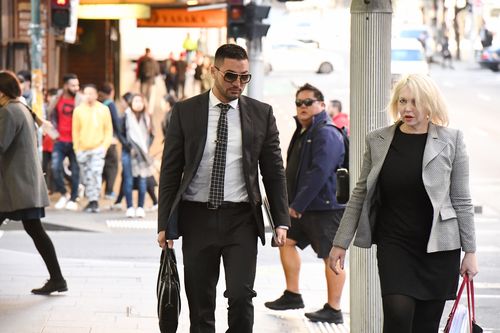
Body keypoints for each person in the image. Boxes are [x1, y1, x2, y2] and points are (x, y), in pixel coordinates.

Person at [328, 74, 479, 333]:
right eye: (402, 101)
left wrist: (471, 252)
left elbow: (462, 201)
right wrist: (340, 242)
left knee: (425, 326)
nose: (407, 108)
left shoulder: (451, 140)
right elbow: (360, 193)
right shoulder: (378, 140)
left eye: (415, 102)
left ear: (430, 104)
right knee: (397, 315)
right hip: (395, 243)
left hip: (439, 249)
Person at [157, 43, 290, 333]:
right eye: (231, 76)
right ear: (213, 71)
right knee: (201, 305)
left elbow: (274, 171)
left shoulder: (261, 114)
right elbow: (170, 172)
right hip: (196, 218)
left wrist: (281, 220)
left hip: (241, 219)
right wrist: (165, 224)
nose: (238, 83)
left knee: (242, 298)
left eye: (245, 77)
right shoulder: (186, 111)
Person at [265, 83, 346, 324]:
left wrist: (296, 204)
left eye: (308, 102)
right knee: (284, 241)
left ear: (321, 105)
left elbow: (320, 172)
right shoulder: (305, 131)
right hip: (305, 206)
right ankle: (293, 294)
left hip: (325, 208)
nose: (302, 106)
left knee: (332, 257)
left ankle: (334, 309)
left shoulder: (326, 132)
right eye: (299, 103)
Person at [0, 70, 67, 295]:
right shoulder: (21, 109)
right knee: (36, 230)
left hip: (17, 188)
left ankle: (58, 279)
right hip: (21, 186)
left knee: (36, 231)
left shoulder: (9, 112)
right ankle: (58, 279)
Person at [72, 84, 113, 213]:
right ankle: (91, 200)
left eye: (91, 93)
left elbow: (108, 130)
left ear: (96, 95)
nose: (89, 96)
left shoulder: (104, 109)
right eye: (86, 93)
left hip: (97, 148)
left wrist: (104, 147)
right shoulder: (78, 110)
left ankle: (94, 201)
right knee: (86, 177)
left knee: (95, 174)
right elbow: (76, 131)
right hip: (83, 148)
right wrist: (76, 148)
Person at [48, 73, 82, 211]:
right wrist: (53, 134)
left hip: (76, 141)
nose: (76, 88)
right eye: (73, 85)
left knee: (75, 170)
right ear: (66, 86)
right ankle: (64, 193)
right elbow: (49, 116)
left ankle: (73, 198)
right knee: (55, 167)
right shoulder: (57, 98)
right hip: (60, 140)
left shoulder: (80, 100)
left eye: (77, 85)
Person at [119, 93, 154, 218]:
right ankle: (129, 207)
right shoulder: (126, 116)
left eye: (140, 101)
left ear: (144, 103)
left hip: (143, 154)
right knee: (128, 179)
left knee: (142, 180)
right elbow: (121, 134)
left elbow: (152, 135)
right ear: (131, 103)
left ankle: (140, 207)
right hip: (128, 153)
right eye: (135, 101)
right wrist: (129, 147)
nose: (138, 103)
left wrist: (146, 148)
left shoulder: (147, 117)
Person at [98, 82, 121, 200]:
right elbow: (116, 123)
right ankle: (109, 191)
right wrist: (121, 138)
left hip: (99, 140)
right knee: (112, 166)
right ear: (111, 92)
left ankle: (97, 190)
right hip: (110, 140)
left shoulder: (99, 104)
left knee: (101, 165)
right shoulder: (110, 104)